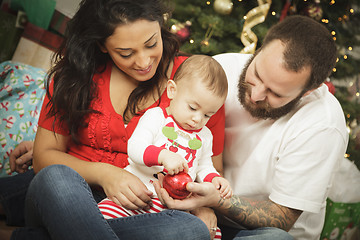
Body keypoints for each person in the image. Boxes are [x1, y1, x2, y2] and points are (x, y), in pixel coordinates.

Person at [1, 0, 226, 239]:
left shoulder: (197, 84)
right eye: (126, 53)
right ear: (103, 45)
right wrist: (106, 174)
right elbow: (44, 156)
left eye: (151, 44)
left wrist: (204, 203)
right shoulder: (77, 74)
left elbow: (209, 167)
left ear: (161, 26)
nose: (143, 62)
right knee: (57, 178)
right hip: (68, 192)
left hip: (144, 206)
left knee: (190, 230)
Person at [153, 15, 348, 240]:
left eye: (275, 93)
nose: (255, 95)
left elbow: (282, 217)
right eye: (256, 75)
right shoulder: (220, 70)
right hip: (195, 212)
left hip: (259, 232)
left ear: (306, 92)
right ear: (260, 48)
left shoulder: (323, 124)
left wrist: (217, 200)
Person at [98, 55, 232, 236]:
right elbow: (135, 148)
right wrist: (163, 156)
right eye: (192, 108)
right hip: (136, 197)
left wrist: (214, 180)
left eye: (208, 115)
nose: (198, 119)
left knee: (211, 233)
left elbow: (204, 166)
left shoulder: (205, 135)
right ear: (172, 90)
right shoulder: (156, 117)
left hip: (173, 209)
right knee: (104, 214)